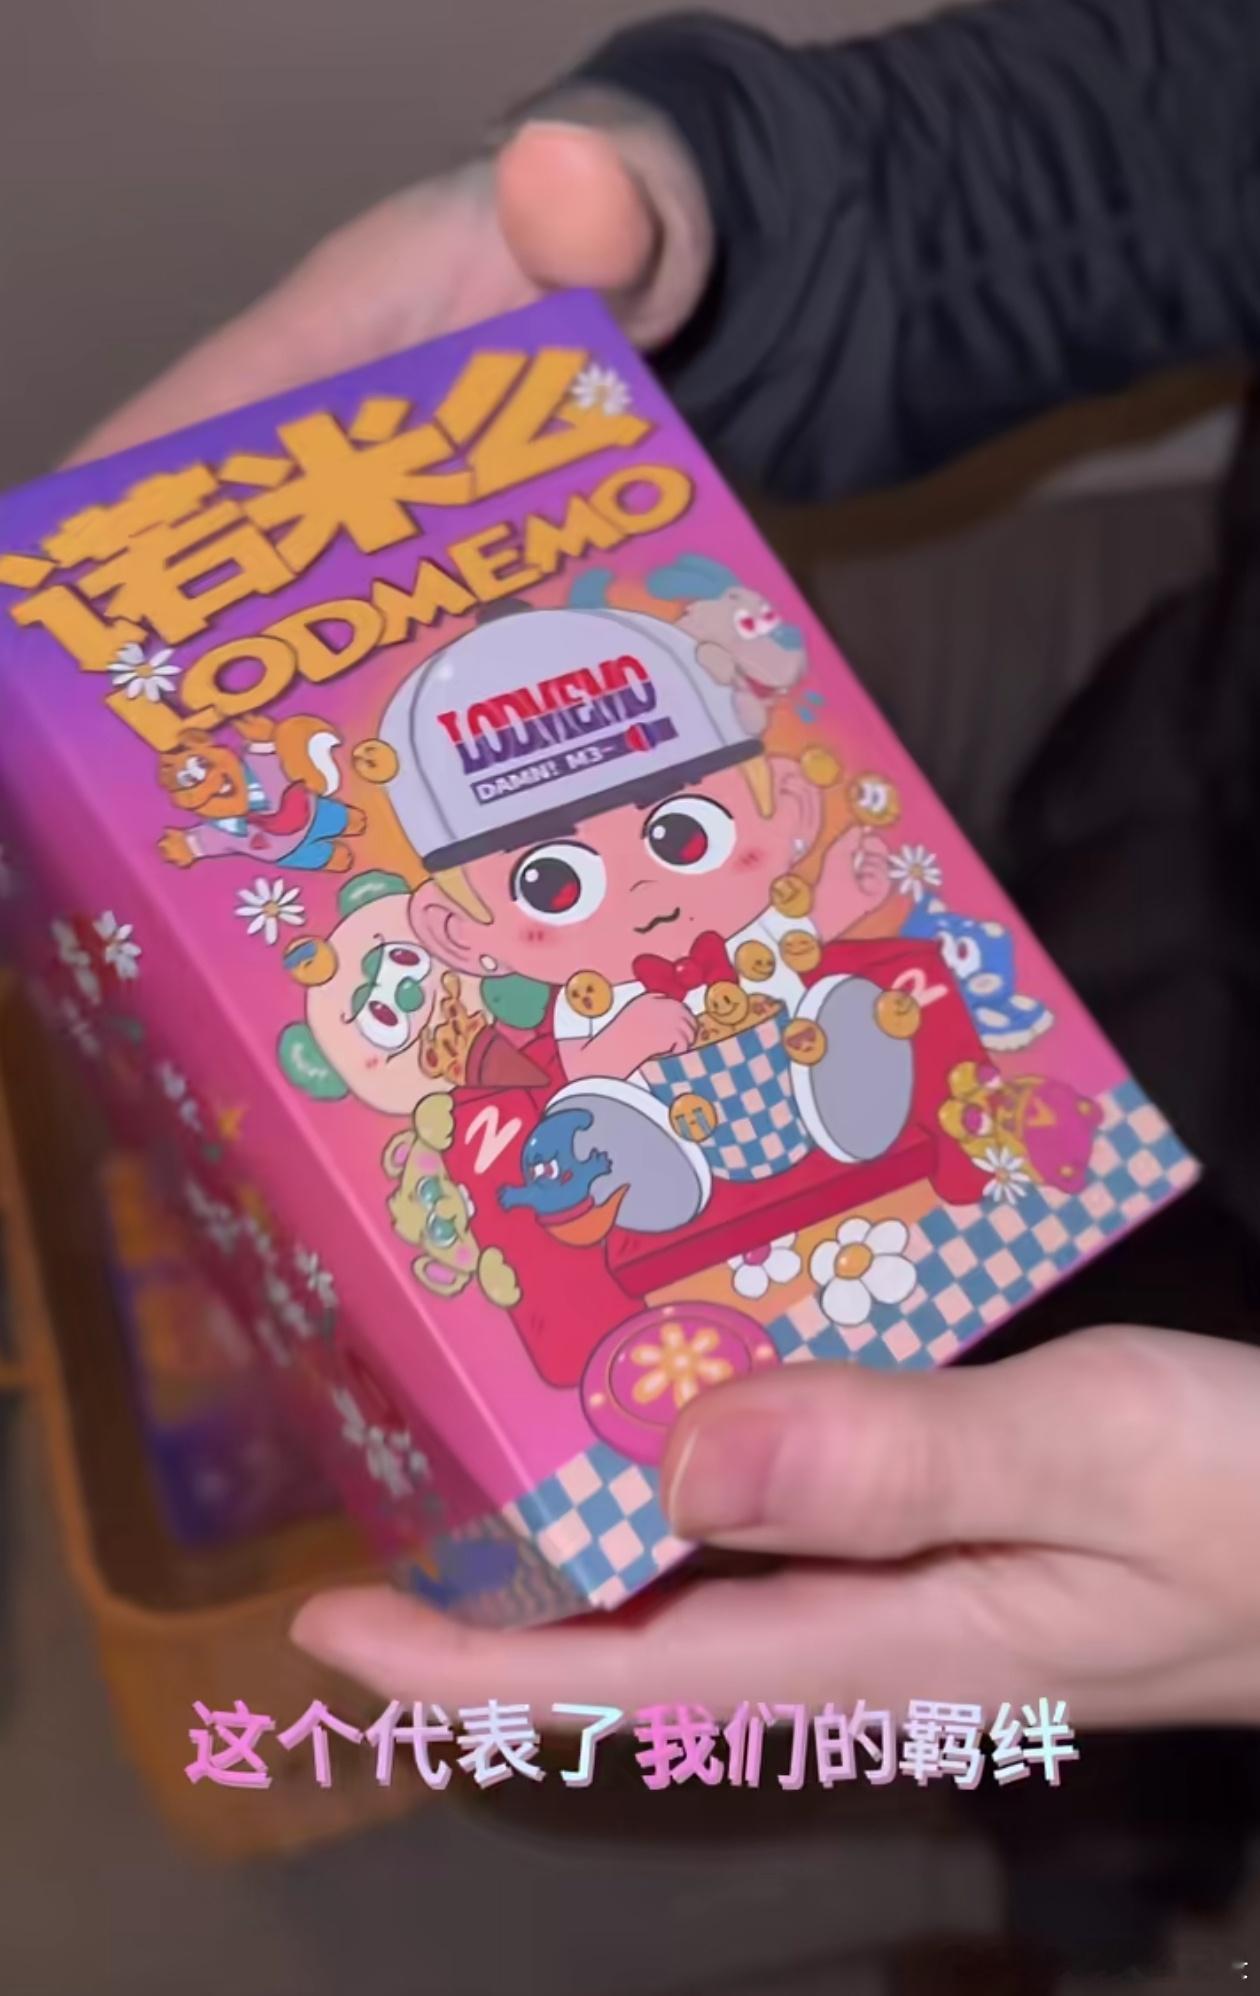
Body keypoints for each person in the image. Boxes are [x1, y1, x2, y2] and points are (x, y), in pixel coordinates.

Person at [78, 0, 1260, 1731]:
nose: (630, 888)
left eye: (678, 838)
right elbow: (1175, 129)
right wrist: (747, 212)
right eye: (556, 882)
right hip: (1164, 850)